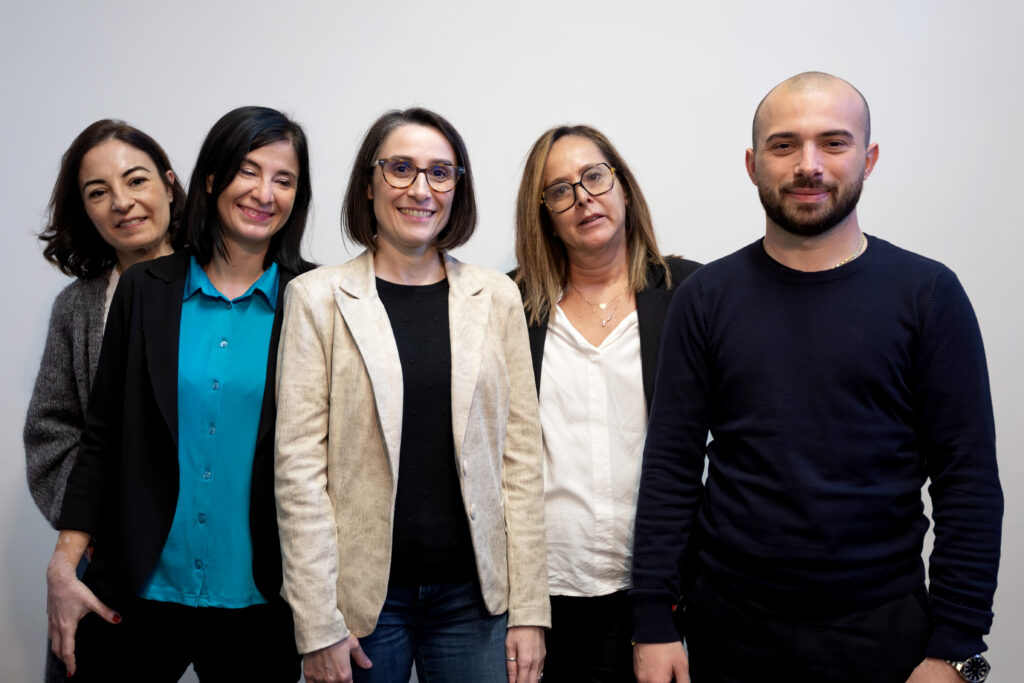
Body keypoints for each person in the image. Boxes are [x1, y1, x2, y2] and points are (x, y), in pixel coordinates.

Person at [630, 71, 1002, 683]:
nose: (809, 165)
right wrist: (654, 619)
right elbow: (671, 465)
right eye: (784, 145)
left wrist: (957, 647)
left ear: (868, 159)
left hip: (885, 632)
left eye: (833, 142)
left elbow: (968, 480)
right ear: (752, 164)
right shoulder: (705, 298)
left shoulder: (928, 295)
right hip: (728, 628)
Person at [274, 107, 549, 683]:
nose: (421, 189)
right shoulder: (316, 299)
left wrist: (530, 610)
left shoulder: (497, 297)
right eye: (401, 168)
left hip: (475, 599)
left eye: (440, 173)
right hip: (360, 605)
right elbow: (298, 472)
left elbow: (521, 462)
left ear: (456, 188)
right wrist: (316, 622)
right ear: (369, 182)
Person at [46, 105, 315, 681]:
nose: (264, 193)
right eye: (247, 171)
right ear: (211, 179)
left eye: (284, 179)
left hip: (264, 599)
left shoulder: (315, 299)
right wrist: (63, 566)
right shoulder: (145, 289)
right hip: (137, 590)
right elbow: (100, 438)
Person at [512, 124, 700, 682]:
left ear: (623, 186)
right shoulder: (510, 305)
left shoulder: (689, 293)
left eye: (594, 176)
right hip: (546, 595)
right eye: (559, 190)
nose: (583, 198)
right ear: (544, 214)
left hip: (665, 591)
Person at [25, 119, 187, 683]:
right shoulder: (78, 307)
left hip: (218, 560)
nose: (121, 202)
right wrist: (93, 527)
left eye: (136, 180)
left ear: (170, 184)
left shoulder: (225, 284)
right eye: (98, 192)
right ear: (86, 211)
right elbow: (51, 431)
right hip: (113, 562)